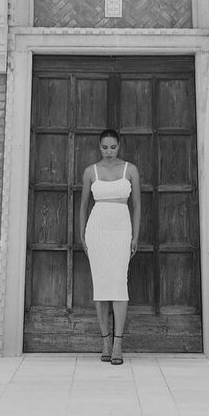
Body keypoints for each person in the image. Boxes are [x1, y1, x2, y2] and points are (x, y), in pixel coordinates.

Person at [78, 128, 141, 365]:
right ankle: (105, 340)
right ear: (99, 147)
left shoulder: (130, 170)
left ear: (119, 146)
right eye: (104, 147)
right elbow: (83, 205)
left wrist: (135, 235)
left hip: (121, 230)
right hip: (97, 231)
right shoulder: (90, 171)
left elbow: (137, 205)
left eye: (113, 147)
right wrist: (82, 235)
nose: (109, 151)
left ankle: (118, 343)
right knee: (101, 286)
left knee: (119, 285)